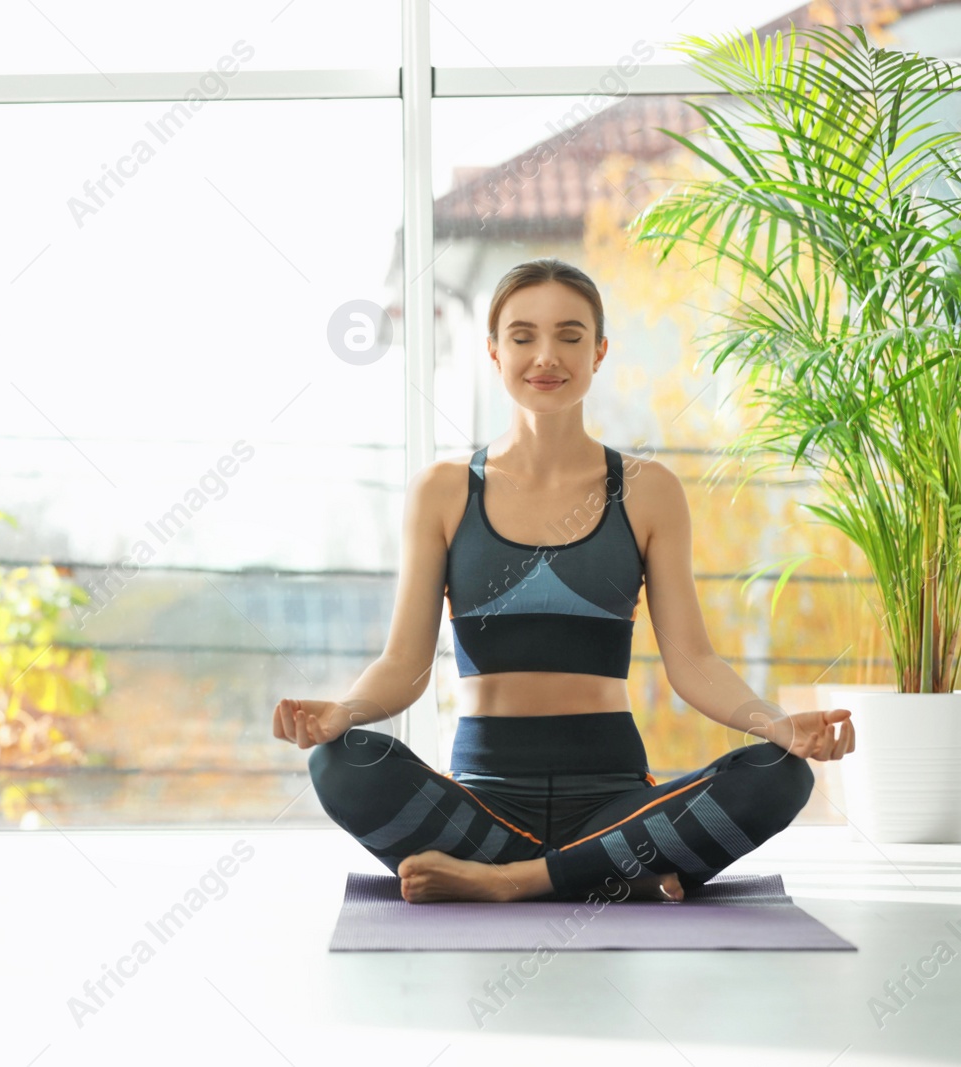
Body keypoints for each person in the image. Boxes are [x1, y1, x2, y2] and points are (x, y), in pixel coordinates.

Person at [273, 257, 854, 905]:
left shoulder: (647, 490)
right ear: (493, 351)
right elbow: (405, 664)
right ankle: (607, 873)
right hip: (483, 804)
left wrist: (779, 725)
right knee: (338, 763)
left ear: (599, 351)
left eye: (570, 336)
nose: (546, 355)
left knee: (781, 776)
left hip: (614, 798)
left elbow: (692, 663)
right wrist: (342, 712)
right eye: (523, 336)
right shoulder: (442, 491)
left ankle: (511, 880)